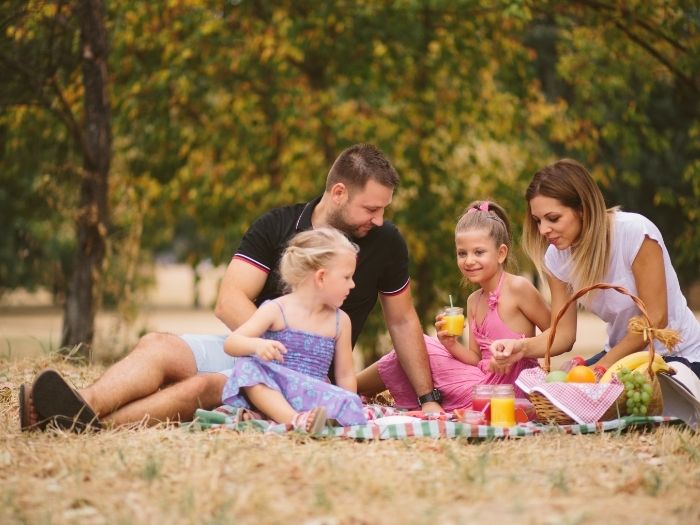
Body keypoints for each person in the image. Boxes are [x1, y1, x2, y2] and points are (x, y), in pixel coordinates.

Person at [22, 143, 441, 431]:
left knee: (205, 387)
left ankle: (83, 425)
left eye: (384, 209)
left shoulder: (387, 244)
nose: (380, 219)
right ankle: (80, 406)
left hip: (311, 378)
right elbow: (229, 301)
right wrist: (269, 348)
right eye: (371, 208)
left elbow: (402, 322)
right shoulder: (277, 224)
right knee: (158, 344)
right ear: (337, 192)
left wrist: (428, 398)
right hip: (253, 346)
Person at [489, 159, 700, 379]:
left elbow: (655, 319)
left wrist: (601, 367)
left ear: (583, 209)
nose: (543, 229)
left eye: (553, 218)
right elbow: (563, 334)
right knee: (560, 392)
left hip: (678, 356)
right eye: (537, 220)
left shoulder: (635, 233)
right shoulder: (556, 256)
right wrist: (520, 348)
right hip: (622, 357)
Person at [356, 200, 551, 410]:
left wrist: (522, 353)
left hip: (511, 389)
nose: (468, 260)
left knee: (417, 343)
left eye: (478, 252)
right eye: (462, 253)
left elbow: (557, 333)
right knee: (419, 347)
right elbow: (476, 358)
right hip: (480, 382)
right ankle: (353, 388)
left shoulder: (518, 288)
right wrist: (450, 344)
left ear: (501, 253)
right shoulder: (473, 300)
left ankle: (348, 386)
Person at [221, 228, 366, 433]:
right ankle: (293, 419)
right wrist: (257, 345)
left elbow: (344, 374)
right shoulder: (277, 309)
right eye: (347, 277)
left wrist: (348, 402)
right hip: (274, 391)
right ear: (321, 277)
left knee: (345, 401)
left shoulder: (340, 321)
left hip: (313, 394)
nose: (353, 284)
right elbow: (231, 343)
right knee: (247, 366)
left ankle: (287, 418)